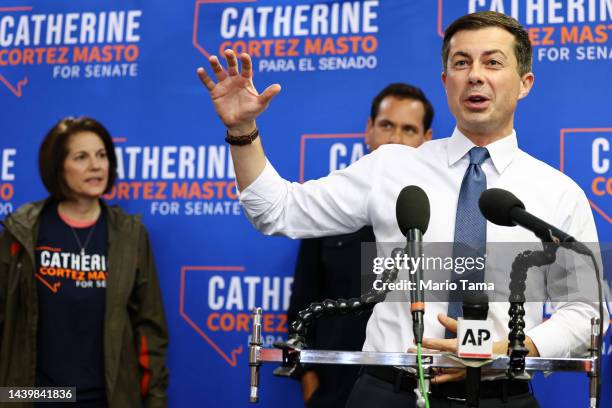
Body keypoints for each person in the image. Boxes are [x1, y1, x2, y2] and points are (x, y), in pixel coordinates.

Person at [197, 11, 608, 408]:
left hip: (501, 395)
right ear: (446, 82)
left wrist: (516, 347)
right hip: (389, 392)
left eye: (493, 62)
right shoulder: (393, 167)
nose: (475, 75)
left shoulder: (557, 192)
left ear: (525, 83)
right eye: (461, 63)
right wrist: (241, 131)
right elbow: (278, 211)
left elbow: (589, 310)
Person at [0, 117, 169, 408]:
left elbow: (149, 329)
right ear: (58, 166)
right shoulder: (23, 230)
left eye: (102, 155)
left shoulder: (130, 234)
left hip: (108, 398)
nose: (96, 165)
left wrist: (154, 400)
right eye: (81, 157)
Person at [287, 83, 434, 408]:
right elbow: (302, 303)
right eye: (386, 126)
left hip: (408, 389)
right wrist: (311, 386)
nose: (394, 140)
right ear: (369, 130)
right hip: (334, 389)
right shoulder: (330, 206)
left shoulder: (435, 214)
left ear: (426, 141)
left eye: (408, 129)